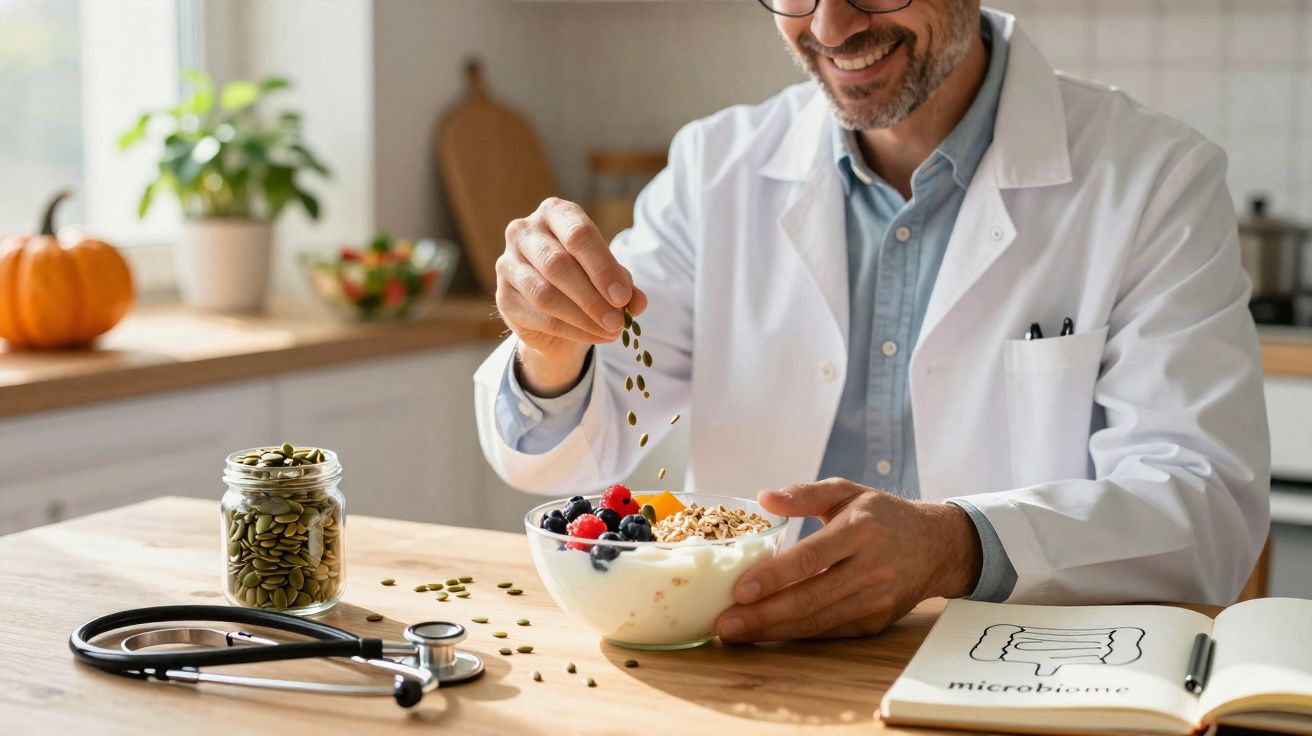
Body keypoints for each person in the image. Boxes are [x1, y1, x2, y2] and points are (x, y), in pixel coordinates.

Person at [473, 0, 1271, 643]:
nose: (829, 26)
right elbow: (576, 446)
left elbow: (1206, 511)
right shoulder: (715, 168)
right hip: (748, 664)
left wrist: (958, 546)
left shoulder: (1156, 179)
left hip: (1025, 673)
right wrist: (552, 351)